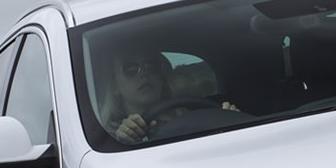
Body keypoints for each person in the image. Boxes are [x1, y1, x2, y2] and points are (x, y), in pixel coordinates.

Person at [101, 51, 239, 145]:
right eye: (130, 69)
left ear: (162, 77)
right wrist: (125, 142)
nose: (144, 73)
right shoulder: (106, 141)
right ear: (114, 87)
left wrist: (230, 122)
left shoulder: (194, 116)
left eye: (152, 65)